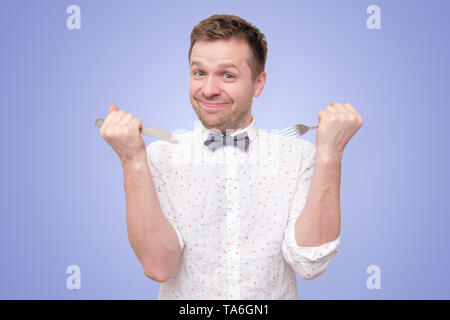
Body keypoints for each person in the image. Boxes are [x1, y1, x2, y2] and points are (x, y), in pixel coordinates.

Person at [99, 14, 363, 299]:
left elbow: (311, 263)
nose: (209, 90)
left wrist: (330, 154)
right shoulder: (159, 157)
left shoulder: (298, 157)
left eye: (227, 75)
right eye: (199, 72)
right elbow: (158, 266)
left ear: (258, 83)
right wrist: (132, 160)